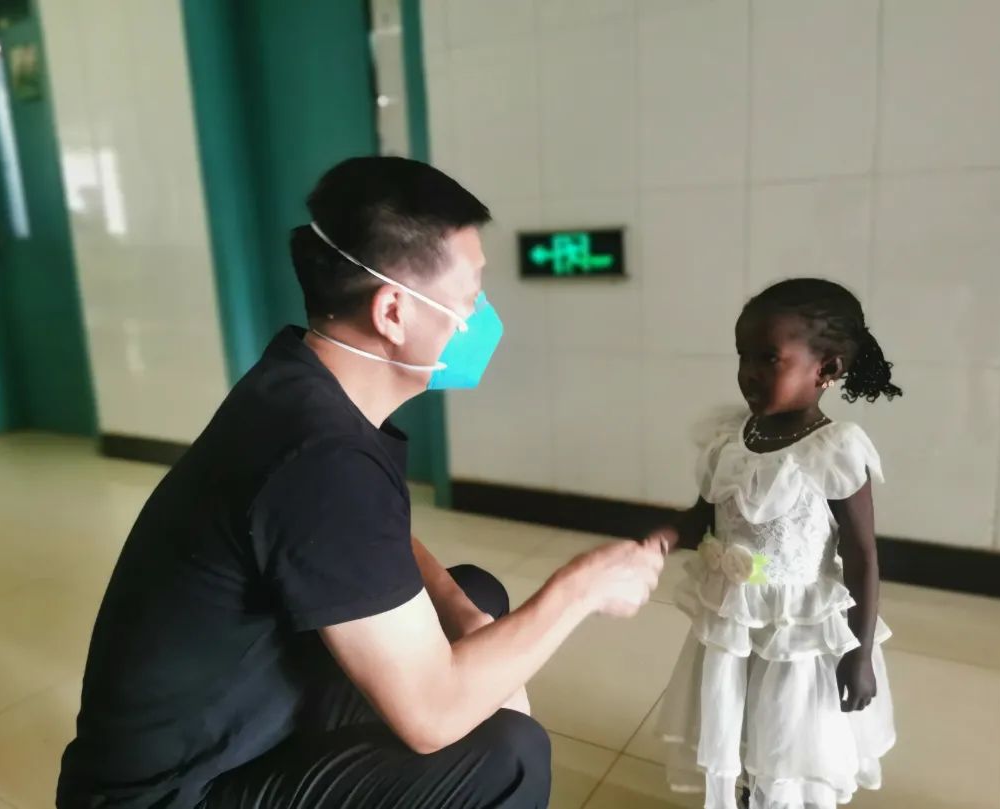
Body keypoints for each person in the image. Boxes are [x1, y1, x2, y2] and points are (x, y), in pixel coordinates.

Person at [57, 156, 668, 809]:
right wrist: (580, 588)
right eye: (471, 296)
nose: (481, 314)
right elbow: (432, 714)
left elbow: (372, 535)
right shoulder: (320, 457)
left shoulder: (302, 383)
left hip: (239, 717)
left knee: (472, 598)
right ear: (393, 312)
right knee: (508, 757)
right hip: (173, 793)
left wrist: (464, 613)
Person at [655, 279, 900, 808]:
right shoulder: (729, 435)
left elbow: (862, 556)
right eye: (743, 356)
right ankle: (746, 791)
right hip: (734, 619)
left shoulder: (834, 450)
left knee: (787, 737)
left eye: (768, 358)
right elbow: (702, 515)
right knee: (736, 718)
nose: (749, 372)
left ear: (826, 368)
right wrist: (659, 538)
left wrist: (858, 653)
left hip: (798, 633)